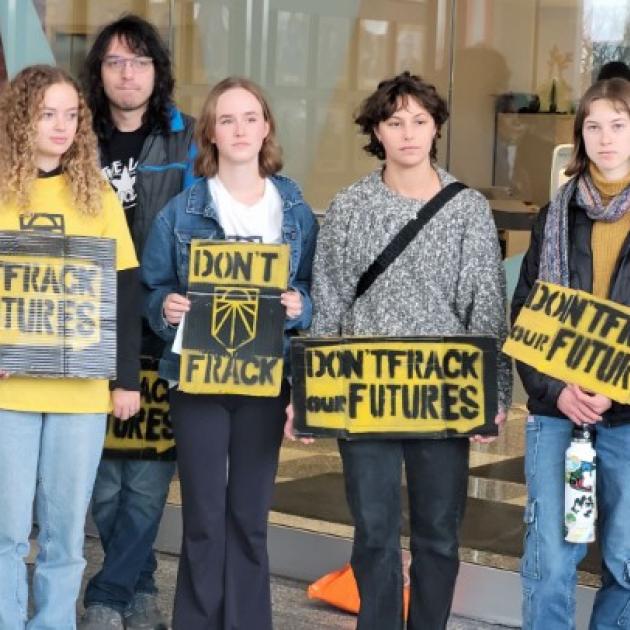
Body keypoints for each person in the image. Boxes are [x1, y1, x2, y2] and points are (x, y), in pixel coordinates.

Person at [302, 71, 511, 630]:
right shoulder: (349, 207)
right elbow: (328, 302)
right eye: (395, 122)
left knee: (438, 534)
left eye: (420, 120)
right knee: (373, 532)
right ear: (377, 129)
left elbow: (487, 307)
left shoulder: (466, 208)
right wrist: (309, 393)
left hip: (443, 391)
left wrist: (494, 392)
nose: (409, 133)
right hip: (363, 389)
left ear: (436, 126)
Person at [141, 77, 318, 629]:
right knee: (203, 517)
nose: (239, 129)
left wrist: (300, 305)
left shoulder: (294, 209)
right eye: (226, 120)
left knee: (248, 517)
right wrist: (164, 308)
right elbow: (152, 289)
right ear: (210, 134)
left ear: (266, 126)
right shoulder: (181, 211)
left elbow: (317, 291)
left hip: (265, 381)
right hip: (198, 381)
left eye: (249, 118)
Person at [0, 64, 139, 630]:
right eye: (46, 114)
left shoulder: (97, 194)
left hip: (80, 389)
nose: (61, 126)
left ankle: (53, 623)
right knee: (7, 528)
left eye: (70, 114)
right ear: (20, 119)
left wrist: (124, 379)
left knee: (64, 528)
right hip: (10, 388)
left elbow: (123, 288)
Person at [79, 15, 196, 630]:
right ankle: (138, 580)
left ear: (158, 72)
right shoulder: (76, 137)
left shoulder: (186, 139)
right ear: (99, 74)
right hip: (85, 322)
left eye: (140, 61)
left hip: (158, 321)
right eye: (115, 62)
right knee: (100, 476)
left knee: (147, 475)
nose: (128, 73)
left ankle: (111, 592)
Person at [513, 78, 630, 630]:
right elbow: (526, 316)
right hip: (557, 416)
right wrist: (558, 392)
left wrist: (615, 386)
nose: (605, 139)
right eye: (593, 126)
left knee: (627, 564)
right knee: (549, 563)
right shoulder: (554, 217)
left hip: (627, 419)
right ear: (580, 136)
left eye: (619, 125)